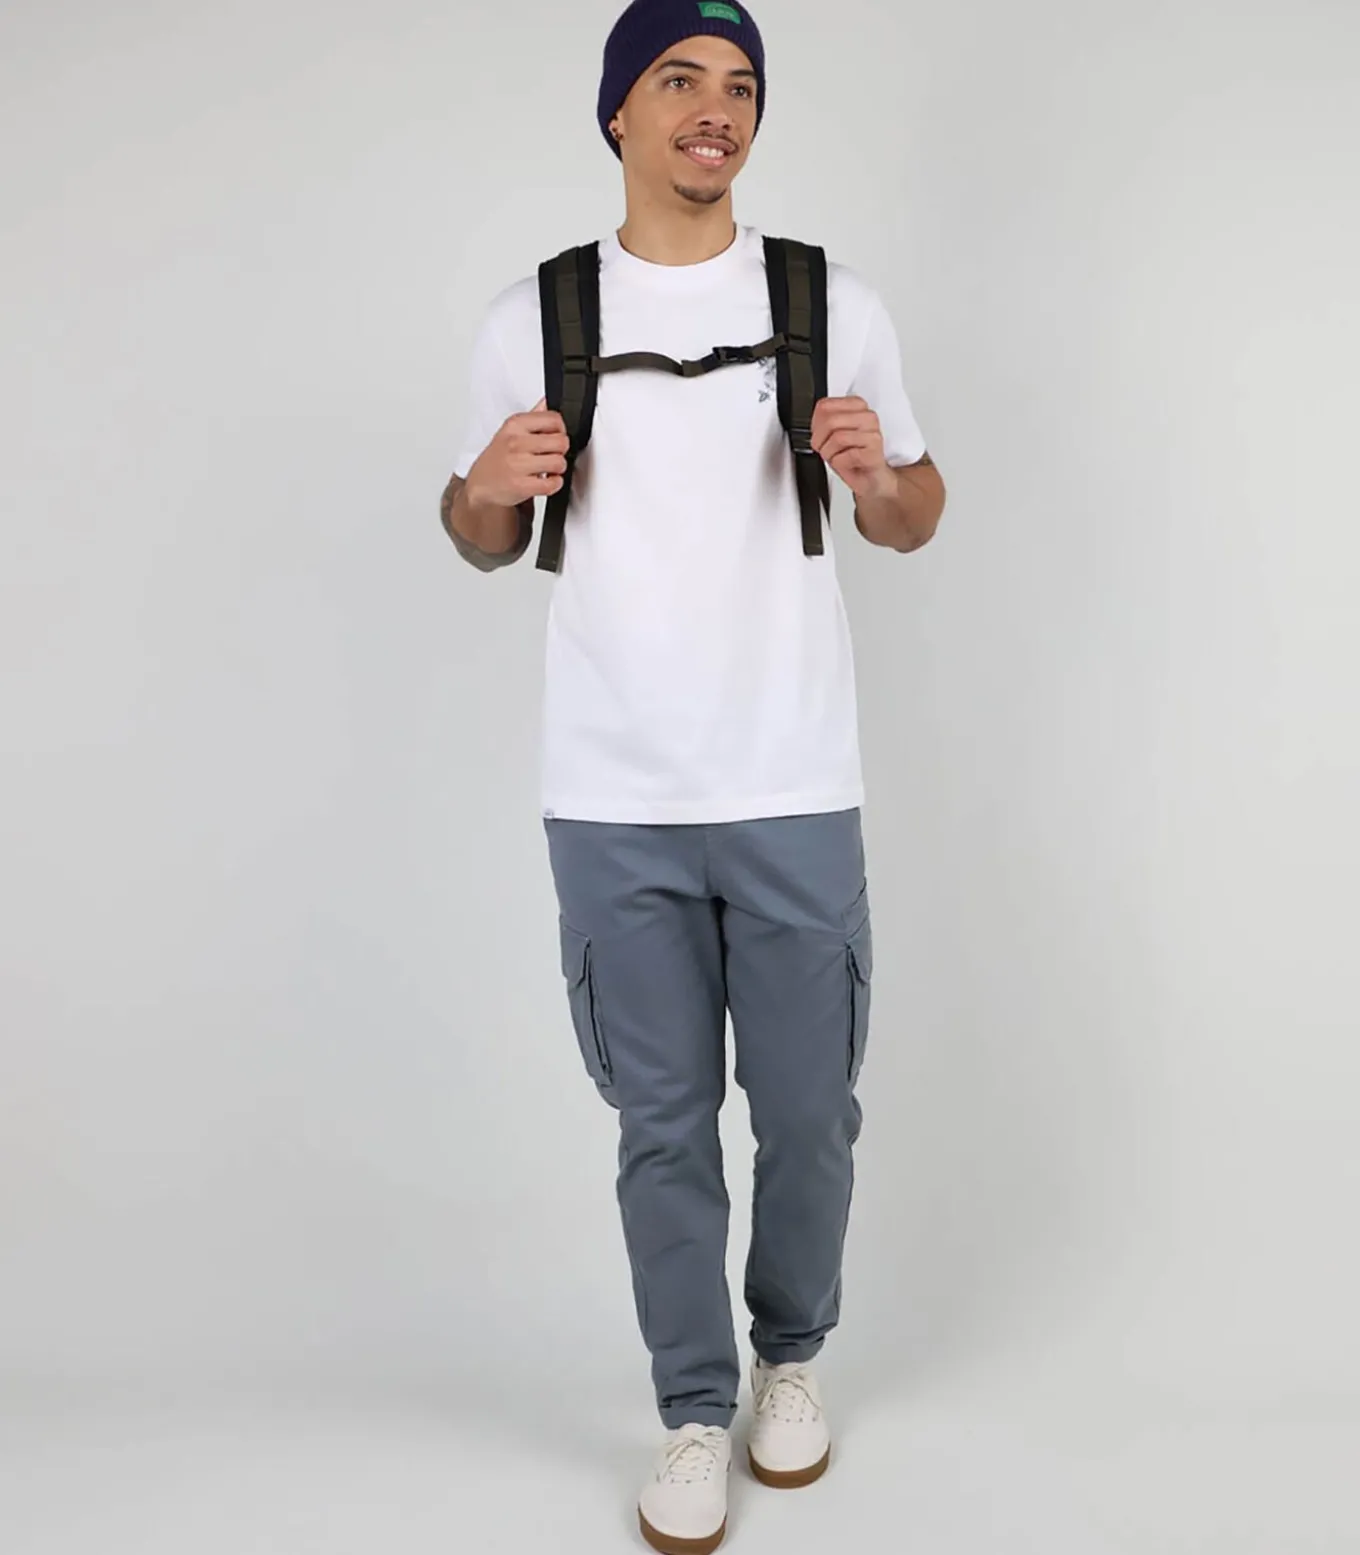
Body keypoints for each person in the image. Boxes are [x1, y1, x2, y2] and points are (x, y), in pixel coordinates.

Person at [440, 2, 945, 1549]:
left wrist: (876, 472)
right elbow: (478, 533)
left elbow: (915, 512)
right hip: (611, 793)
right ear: (620, 112)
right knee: (660, 1122)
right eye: (679, 81)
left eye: (739, 87)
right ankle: (689, 1405)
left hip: (794, 775)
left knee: (809, 1110)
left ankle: (790, 1359)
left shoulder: (828, 302)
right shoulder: (533, 316)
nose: (714, 109)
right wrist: (486, 487)